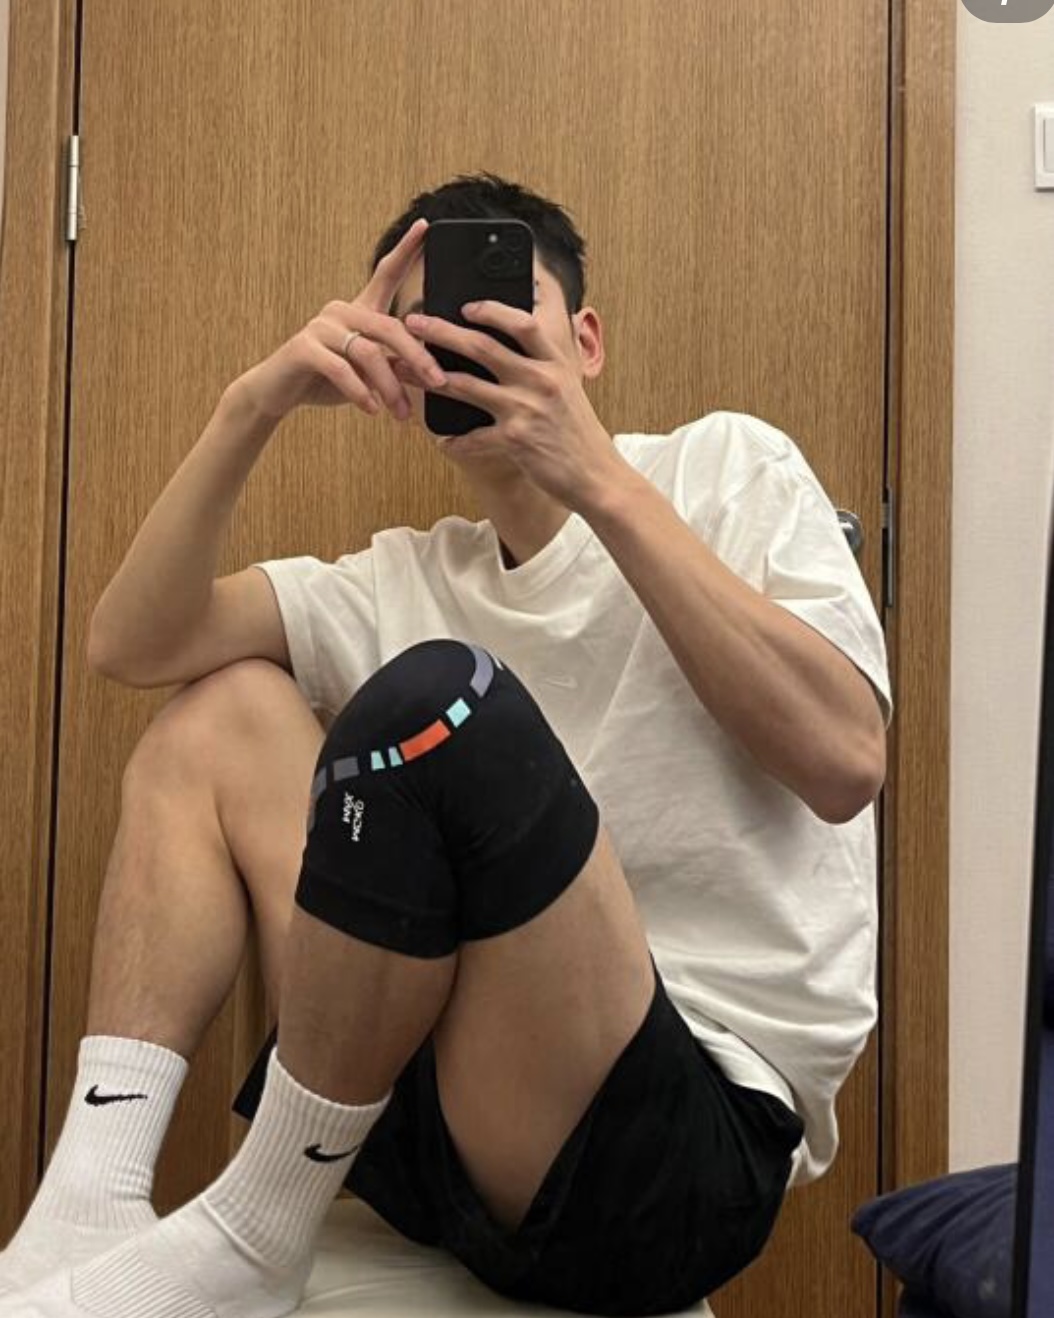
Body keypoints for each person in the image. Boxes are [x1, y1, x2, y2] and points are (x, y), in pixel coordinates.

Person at [0, 171, 891, 1318]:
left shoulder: (726, 471)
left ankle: (254, 1220)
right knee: (222, 710)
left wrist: (597, 479)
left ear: (584, 342)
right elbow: (132, 642)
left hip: (670, 1153)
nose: (466, 347)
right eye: (430, 331)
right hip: (430, 1119)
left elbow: (843, 760)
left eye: (501, 315)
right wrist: (252, 405)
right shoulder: (411, 575)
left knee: (447, 701)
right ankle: (89, 1198)